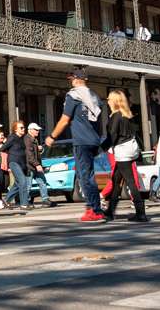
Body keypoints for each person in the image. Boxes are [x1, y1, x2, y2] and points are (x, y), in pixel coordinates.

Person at [45, 69, 106, 222]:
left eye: (72, 79)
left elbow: (65, 119)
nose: (71, 81)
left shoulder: (73, 95)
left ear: (78, 79)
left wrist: (52, 136)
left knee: (85, 176)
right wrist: (98, 140)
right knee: (89, 175)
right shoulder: (94, 96)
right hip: (93, 140)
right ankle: (95, 207)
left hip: (81, 140)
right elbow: (99, 122)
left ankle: (94, 209)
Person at [103, 89, 148, 222]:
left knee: (130, 182)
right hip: (129, 149)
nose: (108, 101)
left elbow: (112, 136)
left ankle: (141, 213)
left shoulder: (116, 116)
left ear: (115, 101)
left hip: (122, 151)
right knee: (116, 181)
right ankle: (110, 211)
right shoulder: (126, 114)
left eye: (109, 99)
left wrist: (99, 149)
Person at [1, 121, 31, 210]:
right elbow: (3, 148)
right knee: (23, 181)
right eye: (21, 128)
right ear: (15, 129)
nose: (23, 129)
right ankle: (24, 204)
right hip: (14, 162)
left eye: (23, 127)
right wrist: (11, 154)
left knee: (18, 183)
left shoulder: (22, 138)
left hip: (22, 163)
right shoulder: (12, 137)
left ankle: (6, 200)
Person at [25, 123, 56, 207]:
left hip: (35, 165)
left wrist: (40, 149)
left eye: (38, 130)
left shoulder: (34, 139)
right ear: (30, 130)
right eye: (36, 130)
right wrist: (37, 164)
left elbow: (34, 153)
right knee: (28, 185)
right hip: (29, 166)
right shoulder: (27, 140)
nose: (38, 131)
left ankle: (45, 199)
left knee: (42, 182)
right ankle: (25, 202)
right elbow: (29, 155)